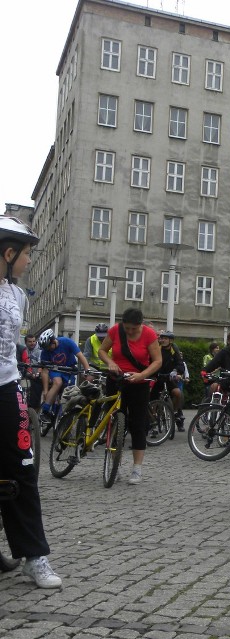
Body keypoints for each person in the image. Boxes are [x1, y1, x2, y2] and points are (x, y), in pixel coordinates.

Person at [0, 217, 62, 588]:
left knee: (22, 469)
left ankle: (34, 556)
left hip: (6, 390)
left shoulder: (17, 294)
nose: (28, 262)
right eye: (26, 255)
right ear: (8, 254)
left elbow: (16, 343)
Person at [97, 308, 162, 485]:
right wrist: (110, 362)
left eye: (134, 329)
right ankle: (114, 464)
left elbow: (157, 360)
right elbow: (102, 351)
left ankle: (137, 468)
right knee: (113, 422)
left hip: (139, 384)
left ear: (140, 325)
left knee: (137, 424)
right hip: (116, 380)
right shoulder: (116, 330)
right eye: (127, 328)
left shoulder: (149, 335)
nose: (130, 332)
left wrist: (142, 375)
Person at [38, 328, 90, 421]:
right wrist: (45, 390)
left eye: (49, 347)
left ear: (53, 341)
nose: (48, 350)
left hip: (69, 370)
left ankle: (65, 415)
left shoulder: (67, 342)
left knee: (70, 392)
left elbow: (80, 356)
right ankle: (45, 410)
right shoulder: (45, 351)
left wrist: (87, 370)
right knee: (58, 382)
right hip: (55, 369)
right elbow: (45, 371)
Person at [154, 330, 186, 431]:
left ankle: (175, 412)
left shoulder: (174, 351)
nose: (162, 340)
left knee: (177, 393)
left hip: (169, 378)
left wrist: (177, 372)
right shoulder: (156, 349)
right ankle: (152, 422)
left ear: (171, 340)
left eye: (165, 338)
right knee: (152, 398)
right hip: (157, 378)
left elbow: (180, 363)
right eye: (161, 338)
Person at [23, 334, 42, 410]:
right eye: (30, 341)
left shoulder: (39, 351)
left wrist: (37, 374)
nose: (32, 343)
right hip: (26, 375)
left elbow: (41, 365)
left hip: (36, 377)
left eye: (34, 341)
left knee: (35, 397)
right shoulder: (24, 350)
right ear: (26, 343)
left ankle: (35, 409)